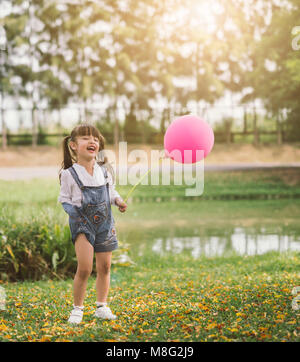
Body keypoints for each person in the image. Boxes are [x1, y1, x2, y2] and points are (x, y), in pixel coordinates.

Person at [58, 123, 127, 324]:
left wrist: (118, 201)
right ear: (73, 145)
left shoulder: (104, 171)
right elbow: (64, 200)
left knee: (105, 267)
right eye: (86, 138)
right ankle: (77, 309)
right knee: (86, 267)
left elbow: (111, 192)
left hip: (105, 224)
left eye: (96, 139)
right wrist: (76, 216)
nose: (93, 141)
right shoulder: (69, 174)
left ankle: (101, 306)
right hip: (82, 225)